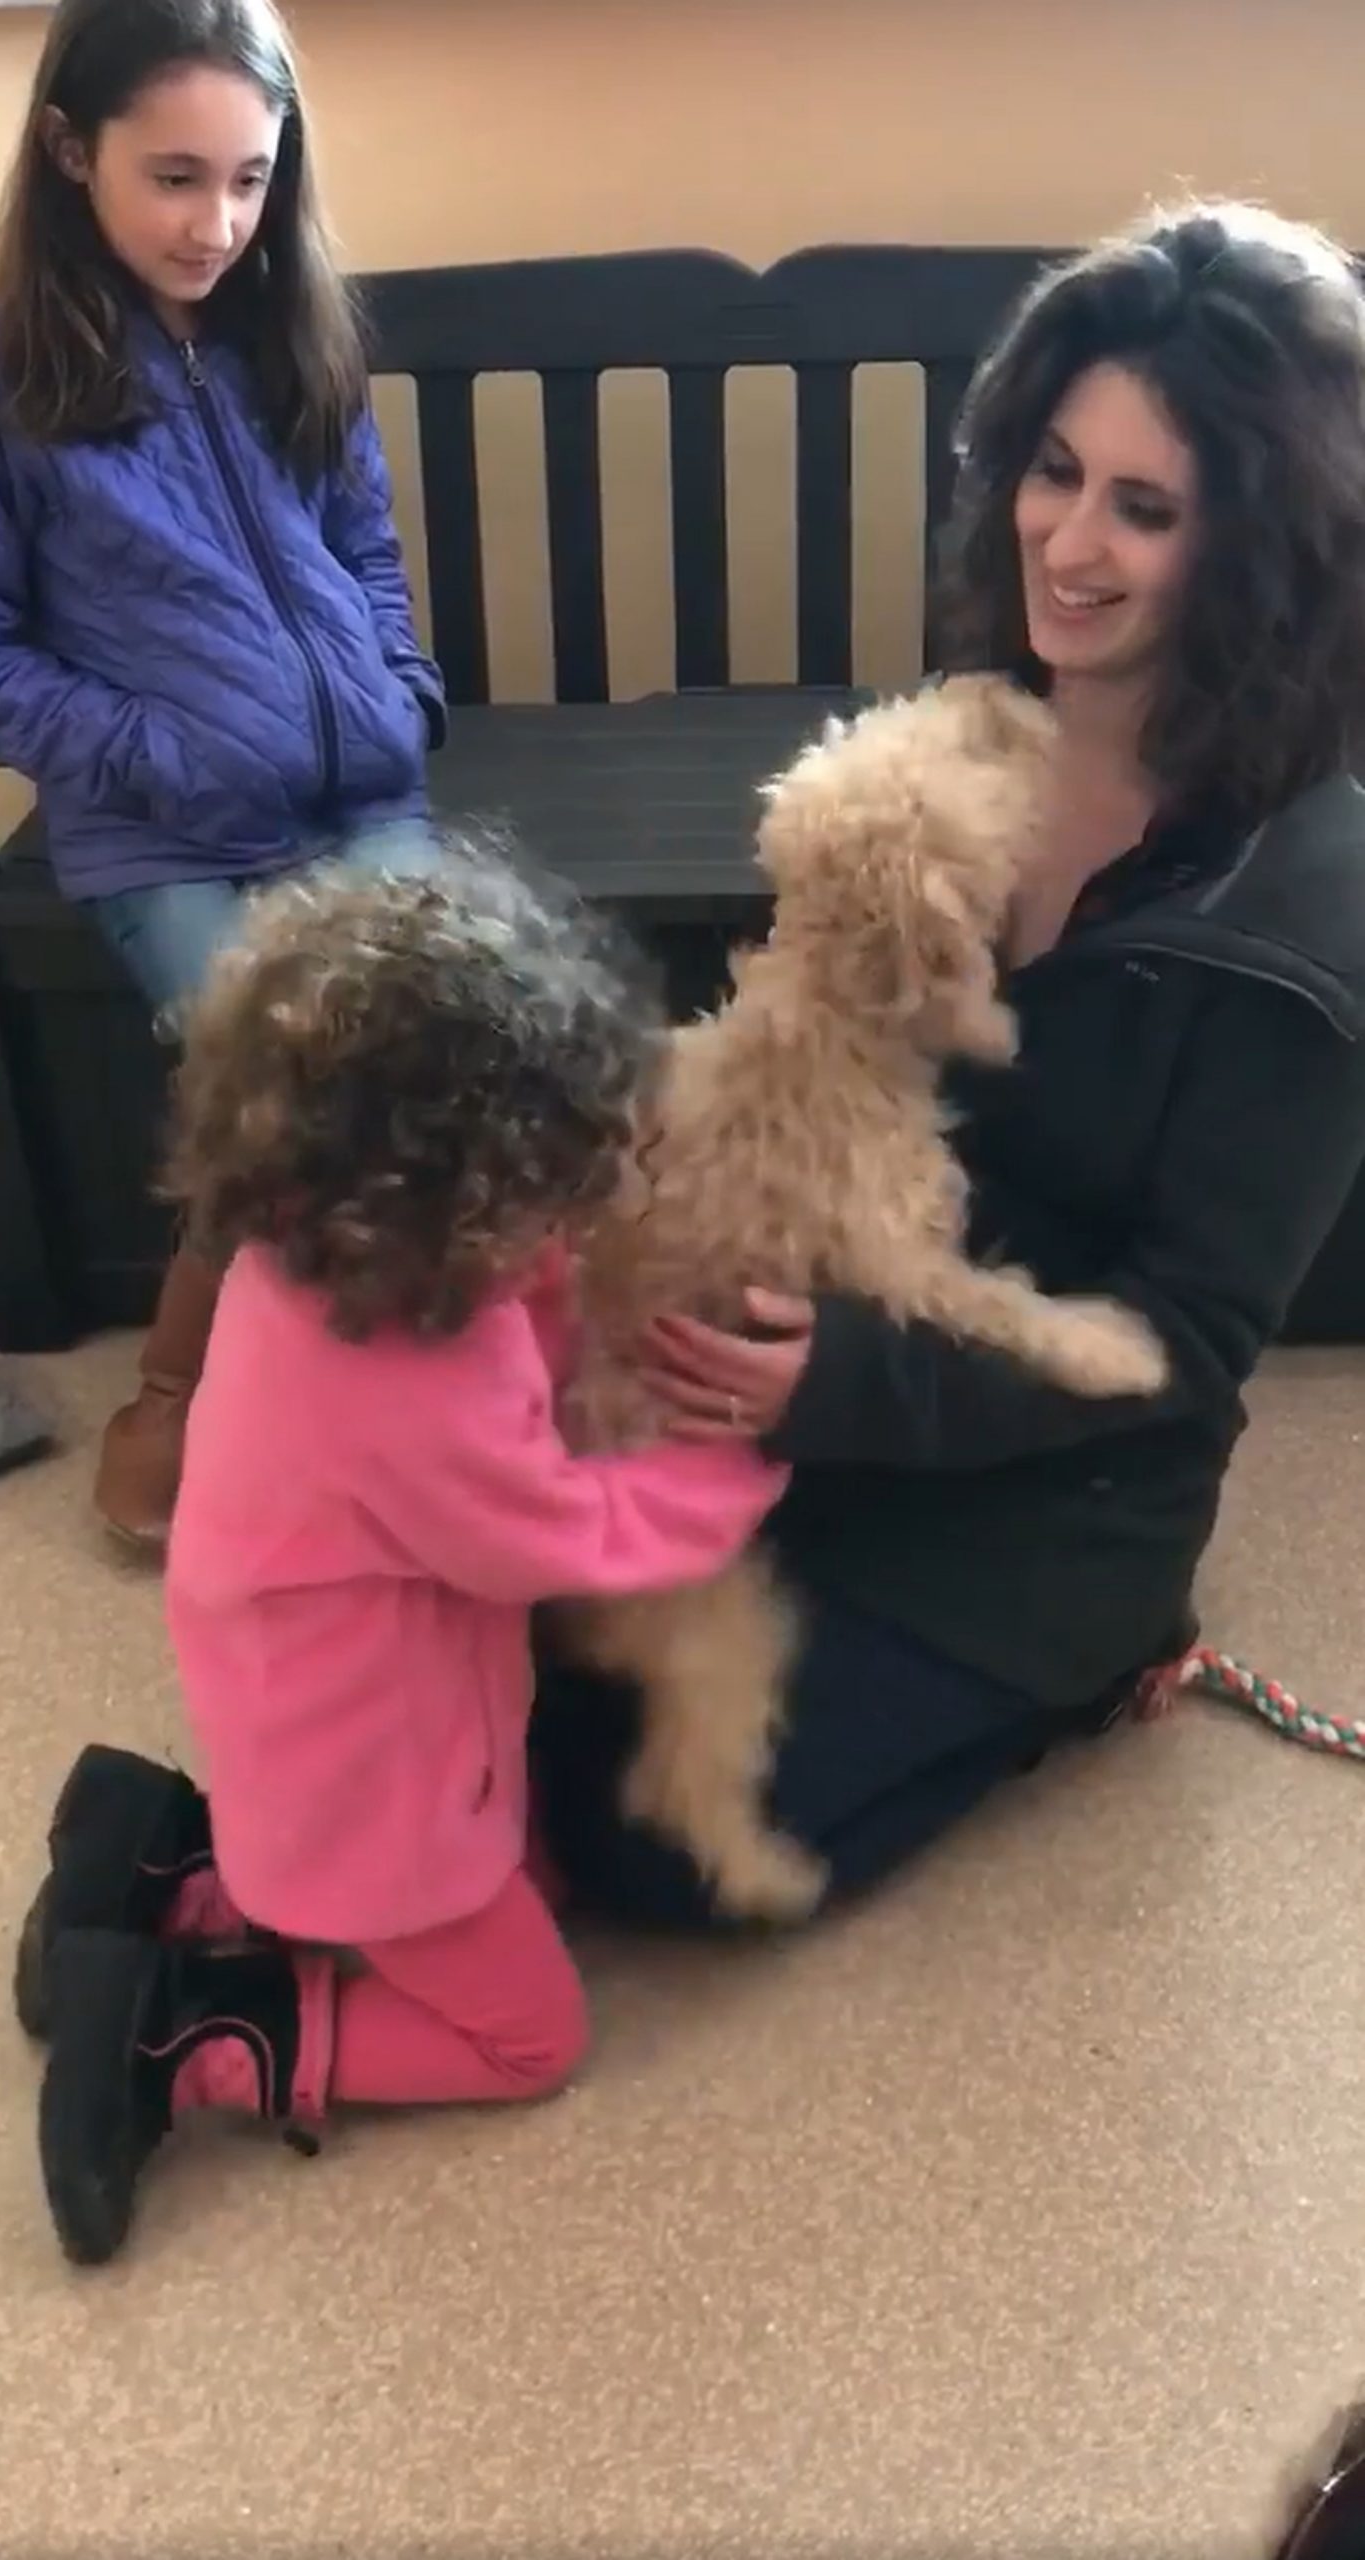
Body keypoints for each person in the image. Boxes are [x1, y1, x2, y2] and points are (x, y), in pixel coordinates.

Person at [526, 198, 1365, 1928]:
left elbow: (1186, 1352)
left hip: (1053, 1486)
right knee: (494, 1645)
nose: (1069, 543)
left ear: (1266, 549)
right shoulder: (984, 718)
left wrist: (833, 1385)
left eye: (1148, 508)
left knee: (629, 1838)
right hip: (858, 1326)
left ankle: (1100, 1667)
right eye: (1056, 473)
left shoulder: (1316, 916)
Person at [18, 848, 788, 2266]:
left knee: (509, 1876)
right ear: (443, 1203)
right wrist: (733, 1462)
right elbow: (561, 1535)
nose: (559, 1229)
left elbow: (518, 1321)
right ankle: (185, 2036)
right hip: (366, 1740)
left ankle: (159, 1873)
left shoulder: (329, 1249)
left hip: (310, 1682)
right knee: (528, 2031)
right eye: (535, 1205)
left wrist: (570, 1252)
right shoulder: (407, 1383)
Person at [0, 0, 445, 1548]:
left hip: (357, 797)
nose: (219, 223)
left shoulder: (293, 327)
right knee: (285, 1083)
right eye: (176, 176)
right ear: (72, 152)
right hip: (163, 839)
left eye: (252, 180)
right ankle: (182, 1387)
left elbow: (364, 551)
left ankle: (415, 1390)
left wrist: (402, 693)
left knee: (442, 1049)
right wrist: (150, 757)